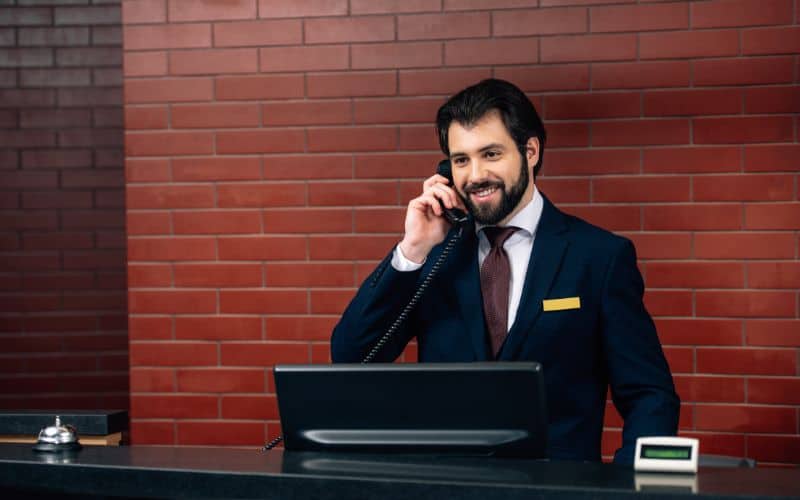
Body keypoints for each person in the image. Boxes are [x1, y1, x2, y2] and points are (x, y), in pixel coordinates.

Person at [330, 79, 679, 464]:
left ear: (530, 151)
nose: (475, 175)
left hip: (558, 490)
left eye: (491, 154)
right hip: (447, 486)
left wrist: (632, 485)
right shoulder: (433, 255)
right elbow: (352, 356)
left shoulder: (599, 257)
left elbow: (649, 393)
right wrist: (412, 250)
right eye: (461, 159)